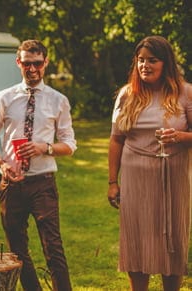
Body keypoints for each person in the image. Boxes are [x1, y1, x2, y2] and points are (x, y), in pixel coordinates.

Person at [0, 39, 76, 291]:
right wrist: (0, 163)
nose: (32, 69)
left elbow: (69, 144)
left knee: (53, 248)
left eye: (37, 63)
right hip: (11, 184)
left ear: (45, 63)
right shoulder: (5, 97)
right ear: (18, 63)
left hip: (43, 182)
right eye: (26, 63)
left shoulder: (58, 100)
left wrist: (46, 148)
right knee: (17, 252)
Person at [107, 35, 192, 291]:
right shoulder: (126, 95)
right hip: (136, 179)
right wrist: (113, 181)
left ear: (166, 63)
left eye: (152, 60)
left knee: (173, 239)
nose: (144, 65)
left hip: (173, 178)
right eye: (140, 60)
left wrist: (180, 137)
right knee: (136, 240)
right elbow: (116, 140)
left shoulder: (186, 93)